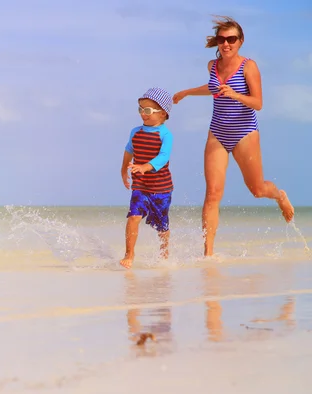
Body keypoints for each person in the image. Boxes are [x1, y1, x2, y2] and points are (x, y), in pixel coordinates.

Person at [172, 16, 294, 257]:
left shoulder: (249, 66)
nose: (226, 44)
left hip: (244, 133)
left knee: (257, 190)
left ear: (240, 41)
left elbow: (258, 103)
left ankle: (279, 195)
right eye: (222, 39)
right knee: (213, 194)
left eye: (231, 39)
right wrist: (187, 92)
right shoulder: (212, 66)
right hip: (217, 133)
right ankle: (208, 255)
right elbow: (212, 87)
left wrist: (236, 95)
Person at [120, 87, 174, 269]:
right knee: (133, 217)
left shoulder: (165, 135)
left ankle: (164, 253)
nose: (143, 114)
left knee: (161, 226)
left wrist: (144, 166)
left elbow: (163, 157)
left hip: (161, 188)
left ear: (163, 113)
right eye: (141, 109)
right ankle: (129, 254)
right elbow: (129, 150)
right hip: (140, 185)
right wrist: (123, 170)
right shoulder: (135, 132)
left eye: (148, 110)